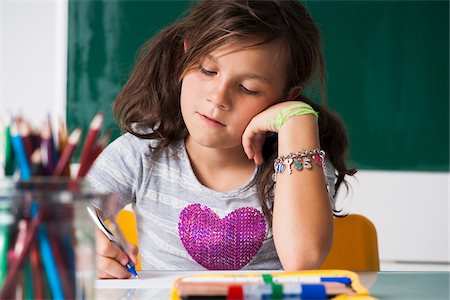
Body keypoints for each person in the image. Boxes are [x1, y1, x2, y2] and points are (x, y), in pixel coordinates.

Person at [87, 0, 356, 279]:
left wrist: (298, 121)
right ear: (185, 58)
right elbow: (65, 220)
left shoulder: (297, 161)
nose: (218, 97)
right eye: (207, 71)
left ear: (285, 98)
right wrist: (84, 245)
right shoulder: (141, 153)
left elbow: (304, 259)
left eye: (247, 88)